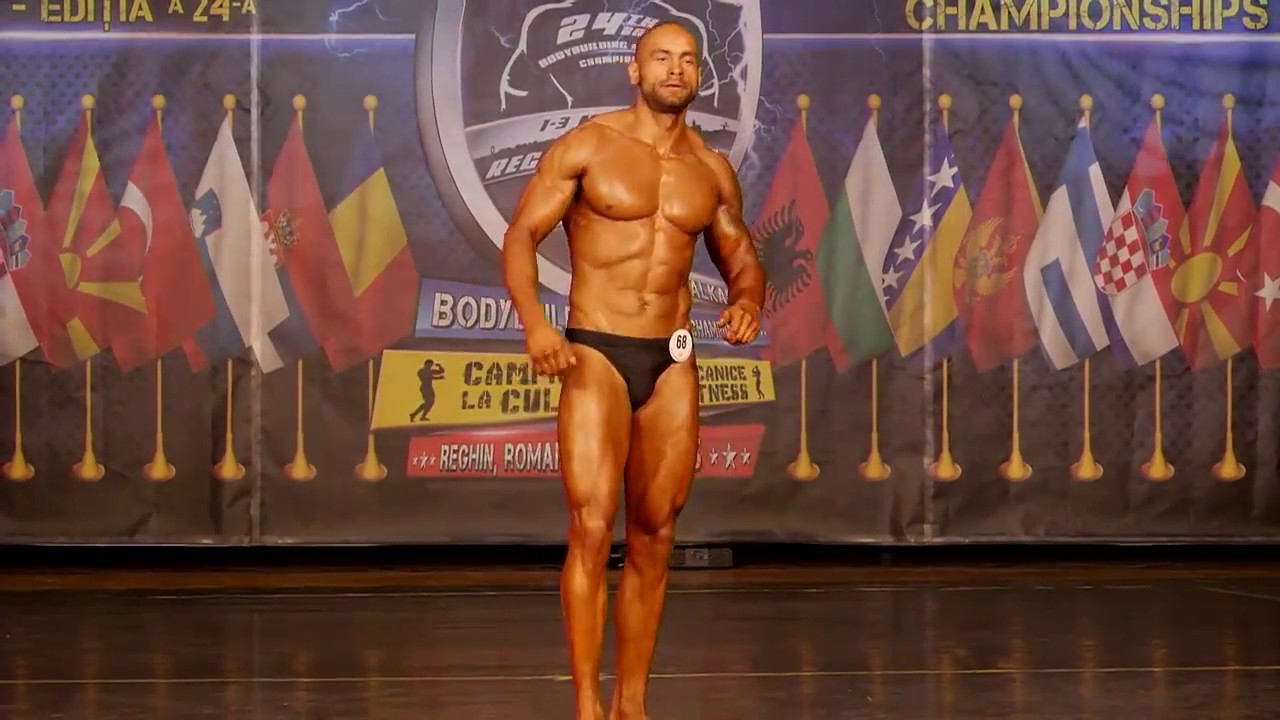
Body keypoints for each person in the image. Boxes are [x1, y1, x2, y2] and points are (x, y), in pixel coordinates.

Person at [501, 20, 765, 720]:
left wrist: (747, 300)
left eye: (687, 61)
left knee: (656, 535)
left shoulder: (710, 169)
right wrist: (534, 324)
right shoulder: (588, 146)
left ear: (699, 74)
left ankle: (632, 706)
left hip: (671, 360)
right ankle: (588, 706)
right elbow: (522, 235)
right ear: (634, 69)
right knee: (592, 527)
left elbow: (741, 257)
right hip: (596, 350)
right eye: (661, 58)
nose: (675, 70)